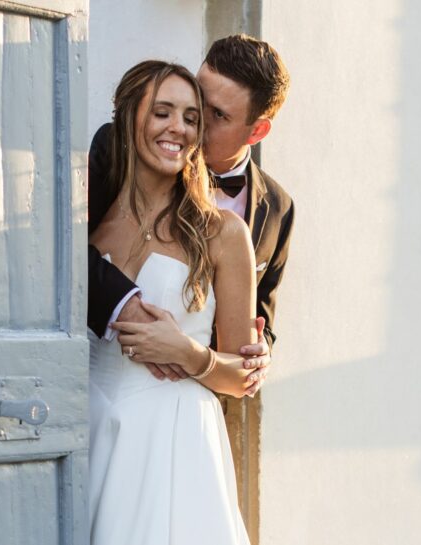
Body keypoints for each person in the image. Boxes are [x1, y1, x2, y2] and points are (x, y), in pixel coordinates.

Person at [88, 60, 256, 544]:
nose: (177, 128)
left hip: (175, 441)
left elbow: (243, 377)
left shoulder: (222, 233)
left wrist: (188, 353)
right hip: (94, 426)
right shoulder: (92, 223)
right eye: (162, 112)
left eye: (190, 117)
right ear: (128, 119)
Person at [88, 35, 294, 394]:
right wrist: (122, 306)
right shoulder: (117, 148)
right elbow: (67, 252)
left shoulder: (277, 210)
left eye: (217, 115)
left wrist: (259, 356)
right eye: (199, 95)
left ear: (257, 130)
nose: (188, 123)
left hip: (186, 408)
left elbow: (258, 323)